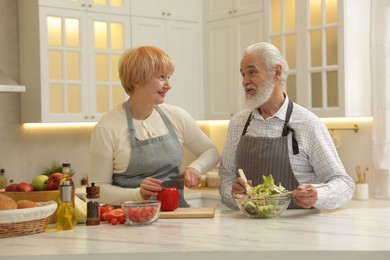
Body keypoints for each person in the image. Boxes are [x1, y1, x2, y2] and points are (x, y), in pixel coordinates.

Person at [219, 42, 355, 210]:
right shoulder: (237, 124)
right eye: (243, 74)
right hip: (248, 229)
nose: (245, 81)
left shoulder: (308, 123)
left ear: (276, 73)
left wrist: (317, 195)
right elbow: (226, 178)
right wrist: (234, 195)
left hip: (297, 230)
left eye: (252, 72)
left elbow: (344, 183)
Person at [89, 46, 220, 207]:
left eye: (168, 77)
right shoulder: (107, 128)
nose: (168, 85)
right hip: (131, 222)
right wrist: (137, 194)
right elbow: (96, 190)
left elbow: (211, 151)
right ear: (136, 80)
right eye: (161, 77)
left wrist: (195, 168)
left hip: (176, 218)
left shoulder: (176, 116)